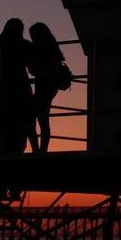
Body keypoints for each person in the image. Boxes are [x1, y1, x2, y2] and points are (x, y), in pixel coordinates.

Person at [0, 18, 33, 156]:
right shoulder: (25, 45)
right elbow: (32, 67)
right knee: (24, 117)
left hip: (2, 85)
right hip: (20, 85)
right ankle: (27, 147)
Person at [27, 22, 73, 153]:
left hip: (44, 85)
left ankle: (37, 149)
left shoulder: (41, 51)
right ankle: (41, 149)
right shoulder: (52, 50)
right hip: (50, 86)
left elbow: (34, 70)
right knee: (43, 118)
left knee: (31, 117)